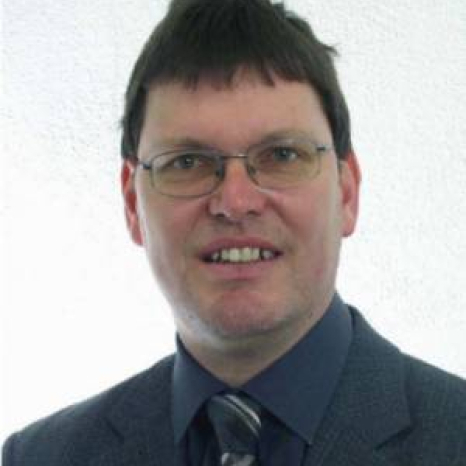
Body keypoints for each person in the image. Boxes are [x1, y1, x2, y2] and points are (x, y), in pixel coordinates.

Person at [3, 0, 466, 464]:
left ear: (346, 193)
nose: (235, 202)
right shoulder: (38, 457)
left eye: (282, 155)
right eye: (187, 163)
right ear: (132, 204)